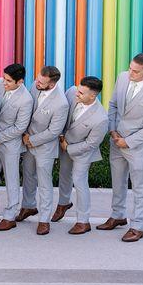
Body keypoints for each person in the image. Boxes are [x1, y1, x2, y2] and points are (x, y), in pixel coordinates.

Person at [97, 53, 143, 242]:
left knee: (140, 187)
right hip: (116, 141)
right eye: (130, 68)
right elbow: (112, 105)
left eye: (136, 71)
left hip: (137, 147)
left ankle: (137, 226)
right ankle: (118, 216)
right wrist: (112, 131)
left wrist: (128, 142)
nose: (131, 73)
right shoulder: (122, 77)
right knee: (117, 182)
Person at [52, 76, 108, 235]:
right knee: (64, 175)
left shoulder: (101, 118)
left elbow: (91, 144)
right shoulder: (71, 92)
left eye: (81, 93)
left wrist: (69, 148)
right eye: (78, 90)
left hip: (82, 153)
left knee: (79, 181)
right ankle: (63, 203)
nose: (77, 94)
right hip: (65, 145)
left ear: (93, 96)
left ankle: (83, 221)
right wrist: (62, 137)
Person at [0, 63, 33, 231]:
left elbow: (20, 127)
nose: (4, 83)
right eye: (4, 78)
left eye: (9, 81)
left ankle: (10, 216)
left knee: (11, 179)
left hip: (10, 143)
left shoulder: (26, 99)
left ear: (20, 82)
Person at [17, 66, 69, 236]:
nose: (37, 83)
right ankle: (28, 206)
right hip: (27, 141)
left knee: (44, 183)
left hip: (44, 147)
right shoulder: (35, 85)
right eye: (37, 79)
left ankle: (44, 219)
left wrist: (31, 140)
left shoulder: (61, 103)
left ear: (52, 84)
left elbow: (54, 132)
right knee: (28, 176)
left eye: (41, 82)